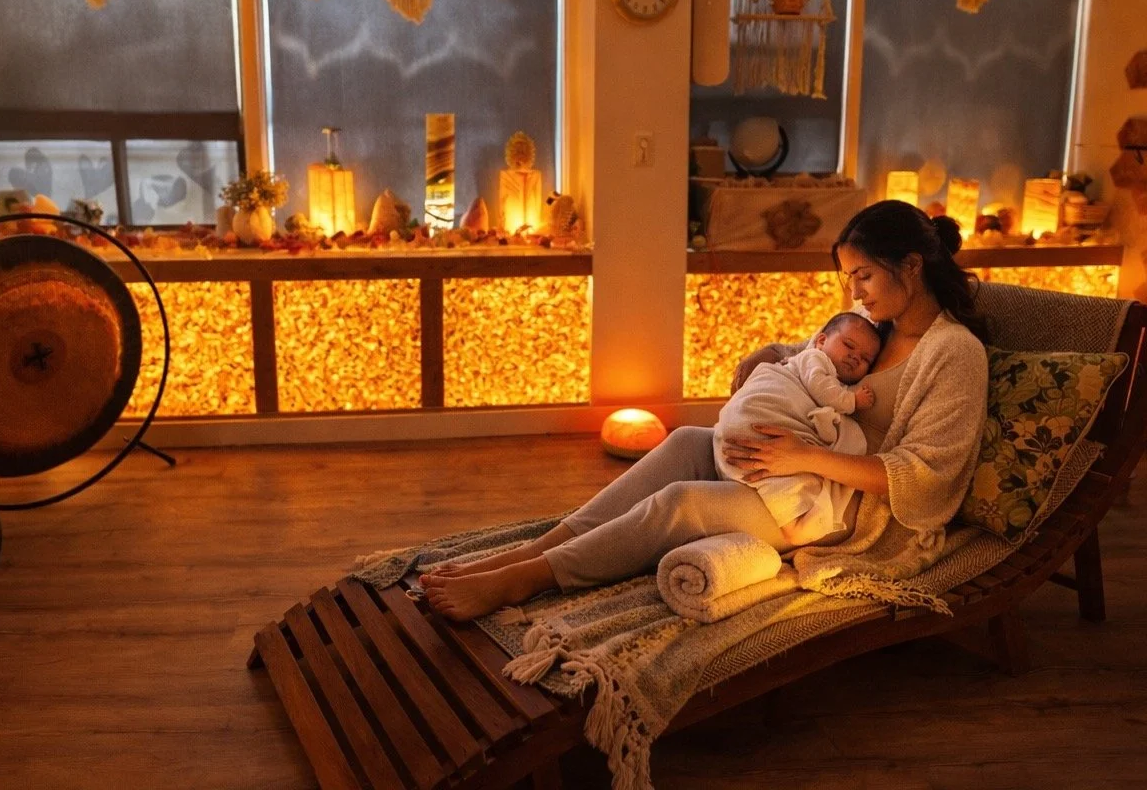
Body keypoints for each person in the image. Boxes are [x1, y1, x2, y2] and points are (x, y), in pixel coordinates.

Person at [422, 201, 990, 622]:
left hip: (839, 510)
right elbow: (813, 355)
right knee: (688, 440)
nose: (855, 293)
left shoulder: (953, 353)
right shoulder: (878, 326)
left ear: (911, 266)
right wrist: (764, 357)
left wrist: (806, 458)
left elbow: (925, 478)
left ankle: (524, 579)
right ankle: (537, 548)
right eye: (850, 279)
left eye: (863, 276)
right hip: (794, 467)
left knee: (680, 502)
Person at [714, 311, 881, 545]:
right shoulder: (815, 360)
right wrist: (853, 400)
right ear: (821, 341)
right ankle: (793, 523)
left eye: (865, 359)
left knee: (781, 477)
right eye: (848, 346)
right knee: (781, 478)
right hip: (762, 413)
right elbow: (822, 390)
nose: (855, 357)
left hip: (772, 435)